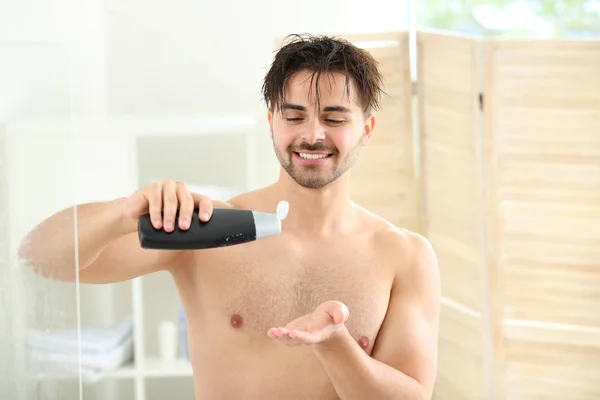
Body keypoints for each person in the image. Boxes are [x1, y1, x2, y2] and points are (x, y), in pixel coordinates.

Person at [19, 33, 440, 399]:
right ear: (272, 121)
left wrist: (336, 348)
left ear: (366, 129)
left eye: (333, 118)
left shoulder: (403, 256)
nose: (312, 135)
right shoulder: (208, 230)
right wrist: (121, 212)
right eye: (294, 116)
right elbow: (37, 257)